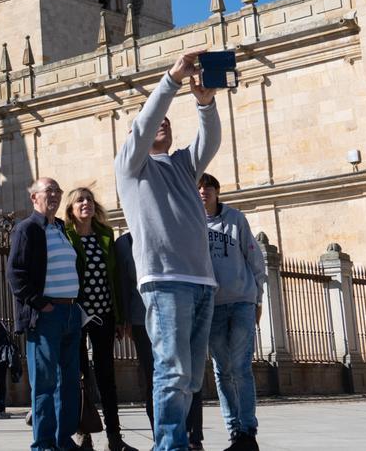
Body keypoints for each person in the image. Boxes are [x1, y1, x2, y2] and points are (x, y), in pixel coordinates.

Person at [114, 49, 221, 451]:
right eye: (155, 120)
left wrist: (204, 103)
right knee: (172, 372)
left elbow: (210, 141)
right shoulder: (130, 166)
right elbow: (144, 125)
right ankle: (170, 445)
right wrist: (171, 80)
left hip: (201, 281)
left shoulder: (181, 164)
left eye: (167, 121)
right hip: (164, 280)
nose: (162, 123)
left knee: (192, 376)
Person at [8, 177, 81, 451]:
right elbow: (15, 274)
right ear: (34, 198)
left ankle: (64, 440)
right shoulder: (26, 229)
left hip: (71, 312)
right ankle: (43, 444)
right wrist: (40, 303)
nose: (54, 195)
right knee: (45, 384)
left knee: (69, 383)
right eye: (48, 190)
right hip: (46, 314)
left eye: (57, 190)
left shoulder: (61, 227)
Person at [63, 188, 138, 451]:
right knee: (80, 376)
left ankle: (114, 437)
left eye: (90, 200)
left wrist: (120, 317)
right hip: (77, 317)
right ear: (71, 209)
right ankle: (84, 434)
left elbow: (115, 280)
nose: (86, 204)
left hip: (104, 315)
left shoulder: (106, 236)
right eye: (80, 201)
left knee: (107, 376)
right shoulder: (66, 236)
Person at [200, 172, 266, 451]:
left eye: (208, 187)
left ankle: (248, 431)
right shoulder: (190, 223)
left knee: (241, 368)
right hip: (212, 306)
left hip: (241, 302)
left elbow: (255, 259)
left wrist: (258, 299)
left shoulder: (236, 219)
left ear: (217, 190)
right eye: (198, 187)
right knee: (221, 370)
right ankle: (234, 431)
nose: (203, 191)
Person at [114, 230, 154, 432]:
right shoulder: (123, 242)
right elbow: (121, 283)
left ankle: (192, 435)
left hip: (172, 313)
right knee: (151, 375)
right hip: (141, 318)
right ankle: (160, 433)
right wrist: (124, 318)